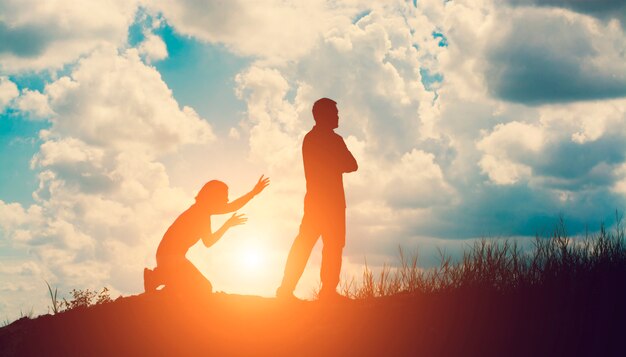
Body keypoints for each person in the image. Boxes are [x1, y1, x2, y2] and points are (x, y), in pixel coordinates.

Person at [277, 98, 358, 301]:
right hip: (321, 202)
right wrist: (335, 160)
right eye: (335, 113)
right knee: (308, 244)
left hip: (328, 202)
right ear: (324, 115)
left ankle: (326, 292)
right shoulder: (316, 139)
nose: (338, 116)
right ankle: (288, 290)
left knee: (330, 245)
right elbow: (346, 164)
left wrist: (333, 161)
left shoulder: (325, 139)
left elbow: (352, 164)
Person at [144, 176, 270, 296]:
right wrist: (252, 193)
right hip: (171, 257)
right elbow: (230, 210)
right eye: (224, 196)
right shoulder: (200, 212)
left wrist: (228, 224)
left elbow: (209, 240)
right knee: (204, 288)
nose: (227, 200)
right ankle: (156, 278)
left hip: (170, 257)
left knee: (198, 287)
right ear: (214, 196)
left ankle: (161, 279)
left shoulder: (201, 212)